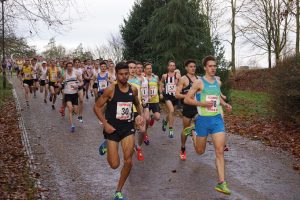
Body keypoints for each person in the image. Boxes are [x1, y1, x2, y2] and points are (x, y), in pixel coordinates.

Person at [94, 62, 144, 200]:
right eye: (121, 74)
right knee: (114, 165)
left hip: (128, 128)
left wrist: (139, 115)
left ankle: (118, 191)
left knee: (128, 161)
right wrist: (105, 124)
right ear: (116, 75)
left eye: (126, 74)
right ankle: (105, 143)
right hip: (112, 129)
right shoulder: (111, 89)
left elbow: (137, 104)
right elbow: (97, 107)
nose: (124, 77)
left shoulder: (133, 89)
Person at [184, 55, 232, 195]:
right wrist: (202, 104)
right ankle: (193, 133)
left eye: (215, 66)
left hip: (216, 119)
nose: (213, 68)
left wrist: (225, 104)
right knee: (200, 152)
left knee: (220, 150)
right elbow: (187, 99)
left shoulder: (217, 82)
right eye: (210, 66)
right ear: (205, 67)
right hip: (203, 121)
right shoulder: (199, 83)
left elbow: (217, 97)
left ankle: (222, 183)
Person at [175, 59, 198, 161]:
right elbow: (177, 94)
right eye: (190, 66)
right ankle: (183, 147)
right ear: (186, 68)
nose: (193, 68)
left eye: (194, 66)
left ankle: (193, 134)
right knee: (185, 130)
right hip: (188, 107)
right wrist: (187, 96)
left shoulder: (199, 79)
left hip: (198, 107)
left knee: (199, 121)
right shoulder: (183, 79)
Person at [160, 60, 181, 138]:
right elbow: (161, 83)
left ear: (175, 67)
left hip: (175, 96)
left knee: (171, 113)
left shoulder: (178, 76)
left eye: (173, 65)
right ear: (168, 67)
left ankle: (165, 122)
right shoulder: (164, 76)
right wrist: (161, 92)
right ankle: (171, 130)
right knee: (171, 110)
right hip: (167, 96)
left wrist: (178, 87)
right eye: (170, 65)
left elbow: (180, 85)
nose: (172, 67)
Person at [61, 62, 83, 132]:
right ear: (66, 67)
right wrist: (59, 85)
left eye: (71, 66)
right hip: (67, 94)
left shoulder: (76, 73)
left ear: (72, 67)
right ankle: (72, 125)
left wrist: (78, 85)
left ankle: (74, 112)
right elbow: (60, 82)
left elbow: (81, 82)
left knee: (76, 111)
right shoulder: (64, 75)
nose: (69, 68)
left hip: (74, 94)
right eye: (68, 66)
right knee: (70, 109)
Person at [136, 62, 151, 145]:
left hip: (145, 102)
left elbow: (148, 87)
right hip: (138, 103)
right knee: (141, 122)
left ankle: (145, 133)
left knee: (148, 119)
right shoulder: (134, 79)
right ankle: (143, 134)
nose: (139, 69)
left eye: (141, 67)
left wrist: (148, 96)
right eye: (137, 67)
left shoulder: (145, 78)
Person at [144, 63, 161, 127]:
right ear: (145, 70)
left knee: (158, 117)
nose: (149, 70)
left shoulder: (156, 77)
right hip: (146, 101)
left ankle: (152, 117)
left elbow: (159, 85)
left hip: (155, 100)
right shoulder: (143, 78)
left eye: (150, 68)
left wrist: (161, 93)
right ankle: (145, 133)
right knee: (146, 119)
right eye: (147, 69)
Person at [73, 59, 84, 123]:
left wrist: (81, 83)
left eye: (78, 62)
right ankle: (73, 110)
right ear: (74, 63)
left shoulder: (80, 70)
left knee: (81, 100)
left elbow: (81, 79)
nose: (77, 63)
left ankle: (80, 116)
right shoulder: (72, 69)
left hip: (79, 86)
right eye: (76, 62)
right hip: (73, 87)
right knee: (74, 102)